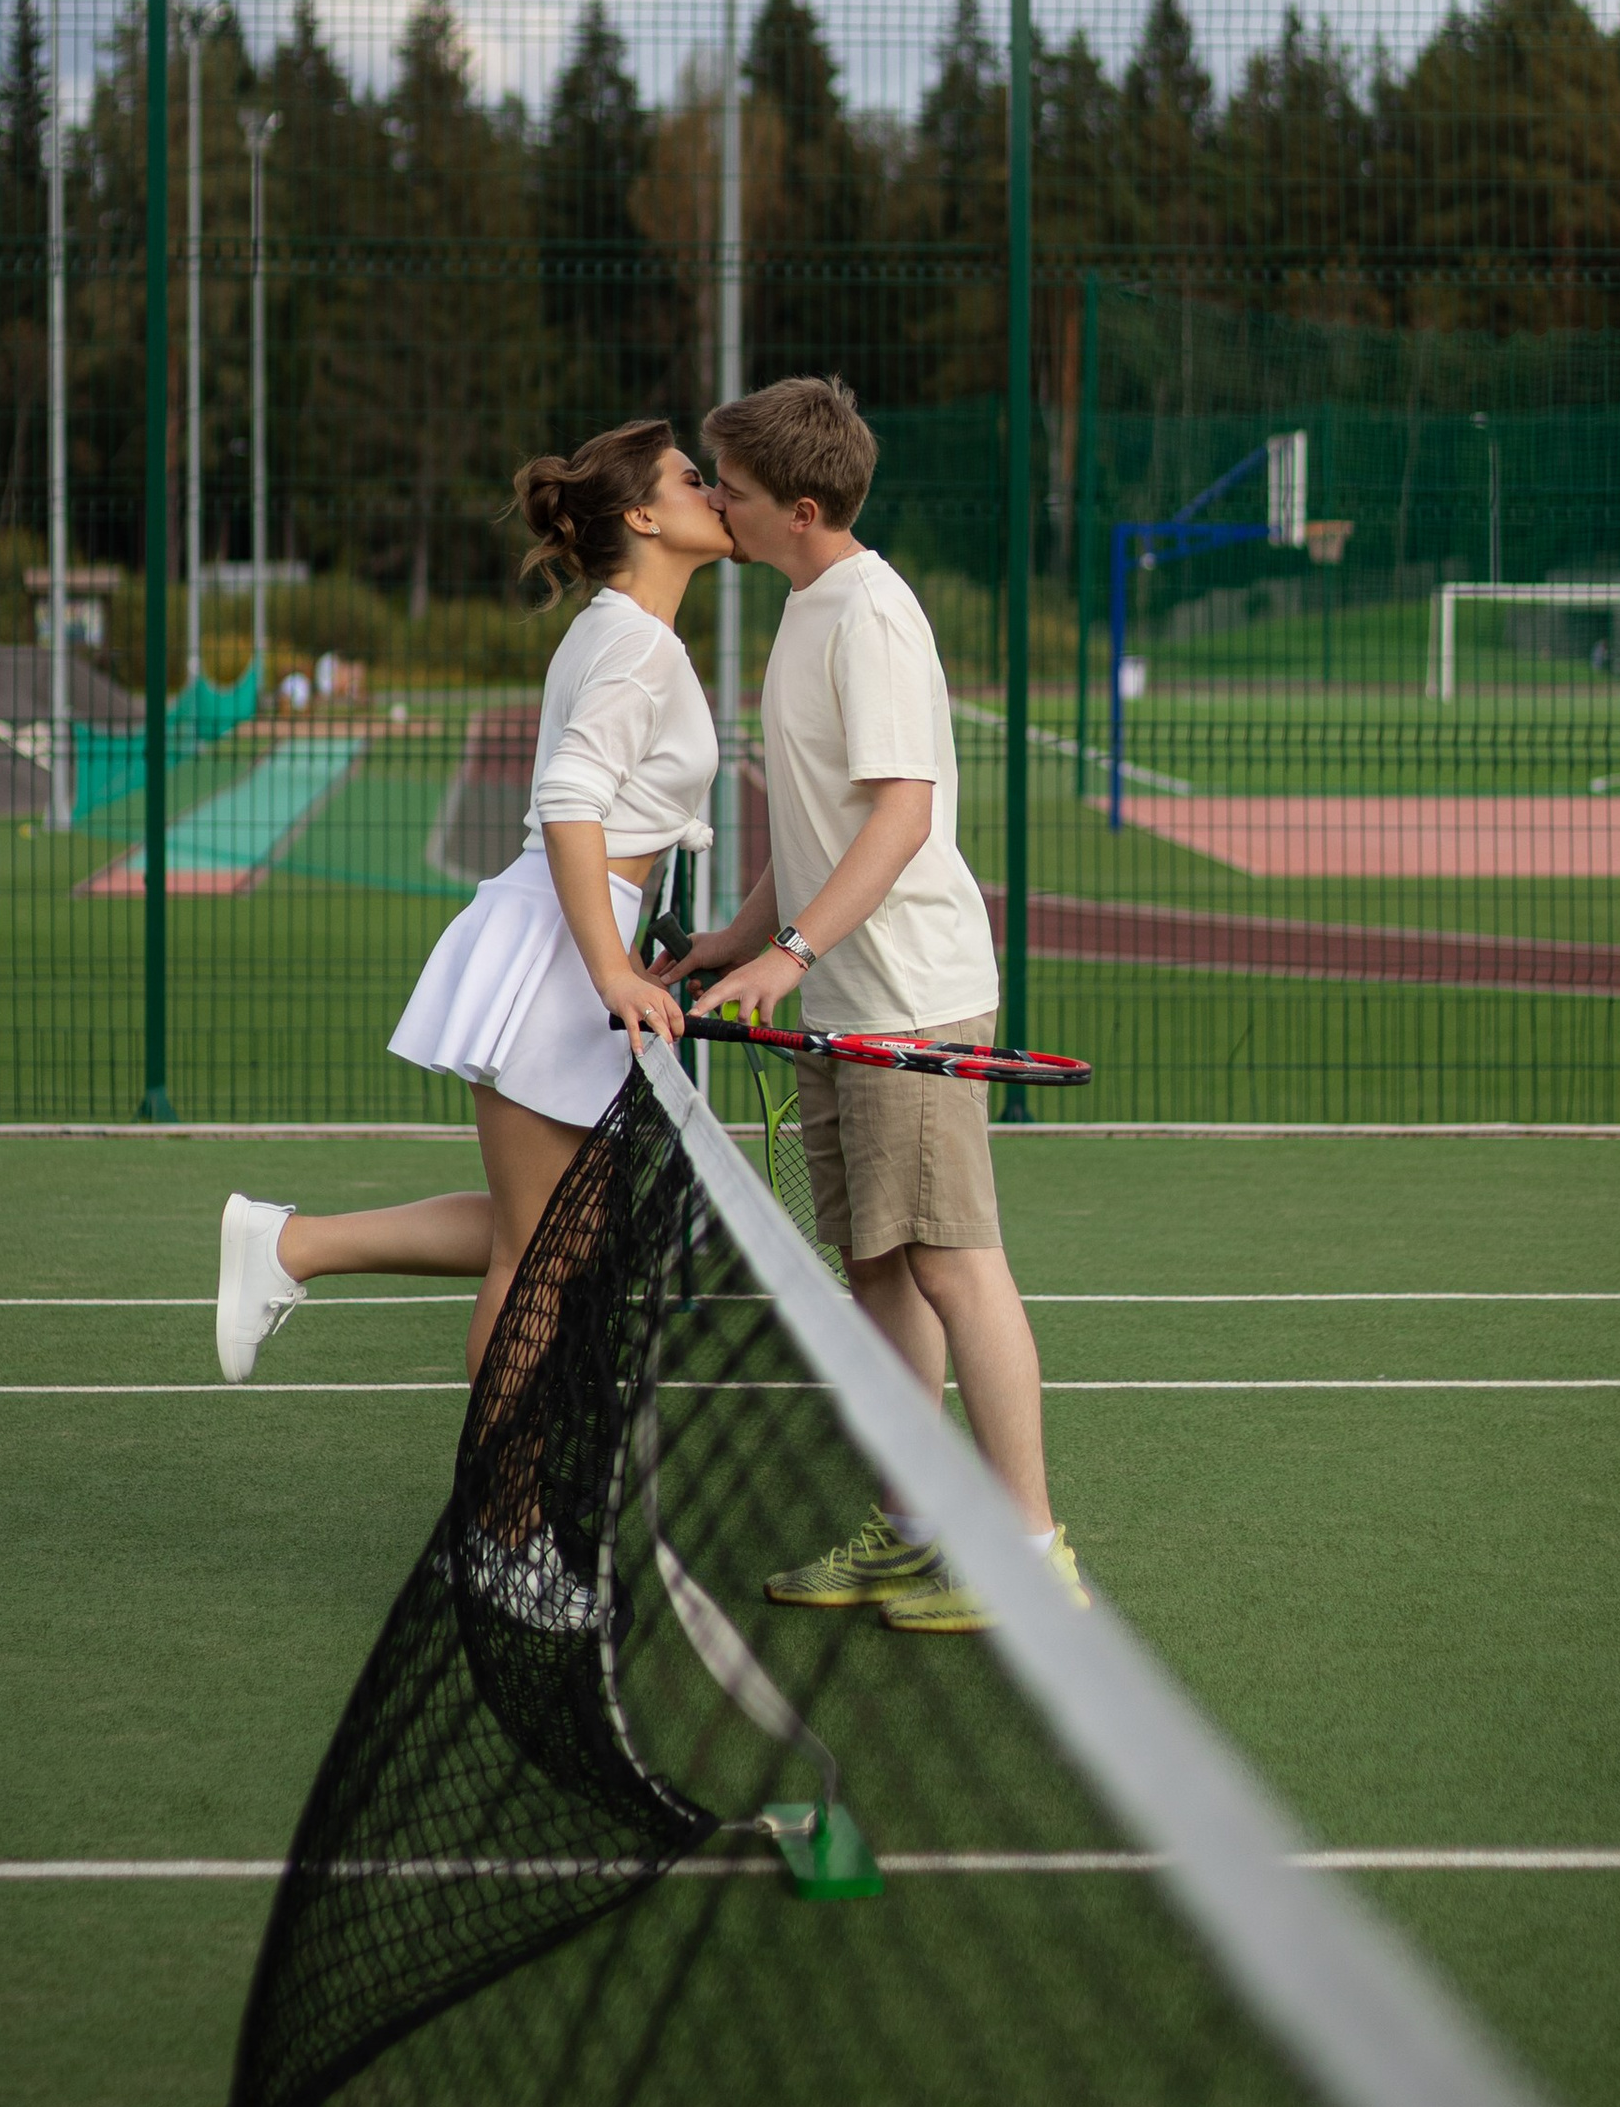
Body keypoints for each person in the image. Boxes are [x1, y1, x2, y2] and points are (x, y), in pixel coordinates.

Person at [214, 422, 728, 1622]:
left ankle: (289, 1247)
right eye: (691, 479)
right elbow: (566, 803)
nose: (714, 491)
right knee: (535, 1265)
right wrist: (610, 970)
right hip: (563, 953)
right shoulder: (633, 645)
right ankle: (496, 1537)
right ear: (644, 520)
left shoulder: (626, 635)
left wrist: (636, 942)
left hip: (575, 942)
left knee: (541, 1235)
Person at [677, 374, 1084, 1634]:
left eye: (729, 492)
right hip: (839, 997)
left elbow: (901, 819)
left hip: (908, 1005)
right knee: (878, 1272)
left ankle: (1028, 1552)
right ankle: (919, 1526)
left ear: (801, 508)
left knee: (957, 1268)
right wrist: (726, 944)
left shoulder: (872, 616)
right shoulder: (806, 605)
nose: (710, 506)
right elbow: (818, 826)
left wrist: (785, 955)